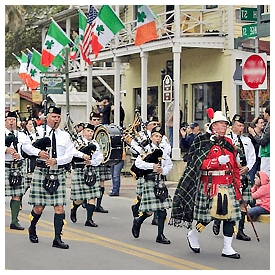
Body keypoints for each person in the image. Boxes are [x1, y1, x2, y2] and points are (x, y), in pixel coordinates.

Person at [169, 110, 242, 259]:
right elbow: (197, 163)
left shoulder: (228, 143)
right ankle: (194, 234)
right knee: (207, 217)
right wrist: (216, 162)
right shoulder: (202, 140)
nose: (224, 127)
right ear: (214, 126)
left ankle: (227, 248)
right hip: (210, 185)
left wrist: (238, 183)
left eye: (225, 124)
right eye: (221, 124)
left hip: (227, 184)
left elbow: (234, 166)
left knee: (230, 217)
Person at [27, 106, 75, 249]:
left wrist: (57, 161)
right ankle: (32, 227)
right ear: (47, 117)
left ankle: (57, 238)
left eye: (58, 117)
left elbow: (70, 155)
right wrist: (38, 152)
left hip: (57, 172)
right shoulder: (38, 132)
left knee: (59, 208)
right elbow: (25, 147)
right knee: (39, 208)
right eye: (53, 116)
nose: (56, 119)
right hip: (42, 171)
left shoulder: (65, 136)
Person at [214, 114, 255, 242]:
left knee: (244, 203)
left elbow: (252, 157)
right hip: (231, 175)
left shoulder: (247, 141)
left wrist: (247, 168)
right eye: (239, 125)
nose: (241, 128)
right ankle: (218, 221)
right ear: (232, 126)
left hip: (244, 174)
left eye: (243, 126)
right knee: (227, 202)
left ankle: (241, 231)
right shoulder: (225, 139)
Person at [131, 126, 173, 244]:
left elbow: (169, 164)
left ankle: (160, 235)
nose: (158, 139)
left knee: (162, 210)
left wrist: (163, 171)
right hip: (149, 181)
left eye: (160, 137)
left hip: (160, 181)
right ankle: (138, 220)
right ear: (151, 137)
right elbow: (138, 163)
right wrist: (152, 167)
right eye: (156, 136)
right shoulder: (146, 150)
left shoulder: (163, 151)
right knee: (149, 211)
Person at [5, 111, 40, 230]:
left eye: (13, 120)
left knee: (17, 195)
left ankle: (14, 221)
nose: (11, 122)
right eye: (9, 119)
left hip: (17, 167)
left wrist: (39, 152)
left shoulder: (21, 135)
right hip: (4, 166)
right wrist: (6, 150)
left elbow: (28, 148)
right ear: (5, 121)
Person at [70, 123, 103, 227]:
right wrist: (82, 155)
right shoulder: (77, 142)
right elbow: (72, 152)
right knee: (79, 199)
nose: (90, 133)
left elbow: (99, 157)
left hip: (91, 170)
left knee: (92, 196)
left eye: (92, 132)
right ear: (83, 131)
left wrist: (91, 162)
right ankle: (74, 208)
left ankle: (89, 219)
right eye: (88, 131)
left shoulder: (95, 144)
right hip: (80, 170)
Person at [90, 112, 110, 213]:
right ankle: (88, 201)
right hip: (90, 161)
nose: (96, 122)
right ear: (90, 121)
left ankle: (98, 204)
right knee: (89, 181)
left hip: (101, 158)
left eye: (98, 120)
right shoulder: (88, 130)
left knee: (101, 182)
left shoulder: (103, 131)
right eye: (94, 120)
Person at [249, 106, 270, 177]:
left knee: (265, 177)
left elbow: (263, 142)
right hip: (258, 158)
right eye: (261, 123)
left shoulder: (269, 126)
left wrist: (254, 134)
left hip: (266, 155)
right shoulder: (268, 126)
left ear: (267, 114)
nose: (263, 124)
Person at [247, 116, 265, 184]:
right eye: (261, 123)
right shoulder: (251, 135)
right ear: (256, 124)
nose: (263, 124)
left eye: (263, 122)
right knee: (253, 176)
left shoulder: (264, 134)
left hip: (261, 158)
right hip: (254, 157)